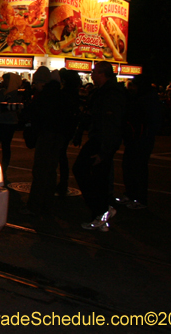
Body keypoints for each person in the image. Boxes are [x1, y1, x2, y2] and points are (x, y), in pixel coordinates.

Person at [73, 61, 126, 231]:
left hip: (101, 141)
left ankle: (100, 212)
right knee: (98, 179)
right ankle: (102, 215)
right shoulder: (105, 92)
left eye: (94, 72)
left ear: (102, 74)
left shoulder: (110, 94)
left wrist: (104, 152)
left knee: (85, 172)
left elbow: (111, 124)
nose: (92, 75)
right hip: (101, 140)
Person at [25, 68, 77, 215]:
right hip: (58, 136)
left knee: (40, 171)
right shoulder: (62, 95)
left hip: (46, 135)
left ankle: (34, 206)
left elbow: (35, 117)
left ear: (42, 82)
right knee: (51, 171)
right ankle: (47, 204)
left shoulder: (44, 96)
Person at [119, 75, 162, 208]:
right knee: (129, 166)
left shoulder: (148, 100)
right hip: (135, 138)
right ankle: (131, 194)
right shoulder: (142, 98)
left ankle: (139, 198)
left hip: (141, 139)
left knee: (138, 168)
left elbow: (152, 122)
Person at [0, 72, 23, 177]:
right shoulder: (9, 93)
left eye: (6, 80)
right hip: (4, 122)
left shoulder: (12, 93)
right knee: (1, 146)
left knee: (1, 145)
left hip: (5, 122)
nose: (4, 82)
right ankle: (1, 167)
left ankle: (1, 167)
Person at [57, 69, 83, 196]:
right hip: (69, 128)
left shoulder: (64, 94)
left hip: (62, 128)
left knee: (59, 156)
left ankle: (62, 183)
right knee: (62, 156)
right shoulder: (75, 94)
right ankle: (63, 183)